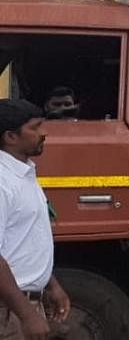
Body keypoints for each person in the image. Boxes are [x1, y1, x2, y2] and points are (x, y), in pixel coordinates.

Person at [0, 99, 70, 340]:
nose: (44, 133)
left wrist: (50, 284)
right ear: (10, 137)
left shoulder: (23, 173)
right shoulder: (3, 181)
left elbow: (21, 243)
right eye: (36, 127)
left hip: (19, 306)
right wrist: (26, 315)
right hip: (8, 313)